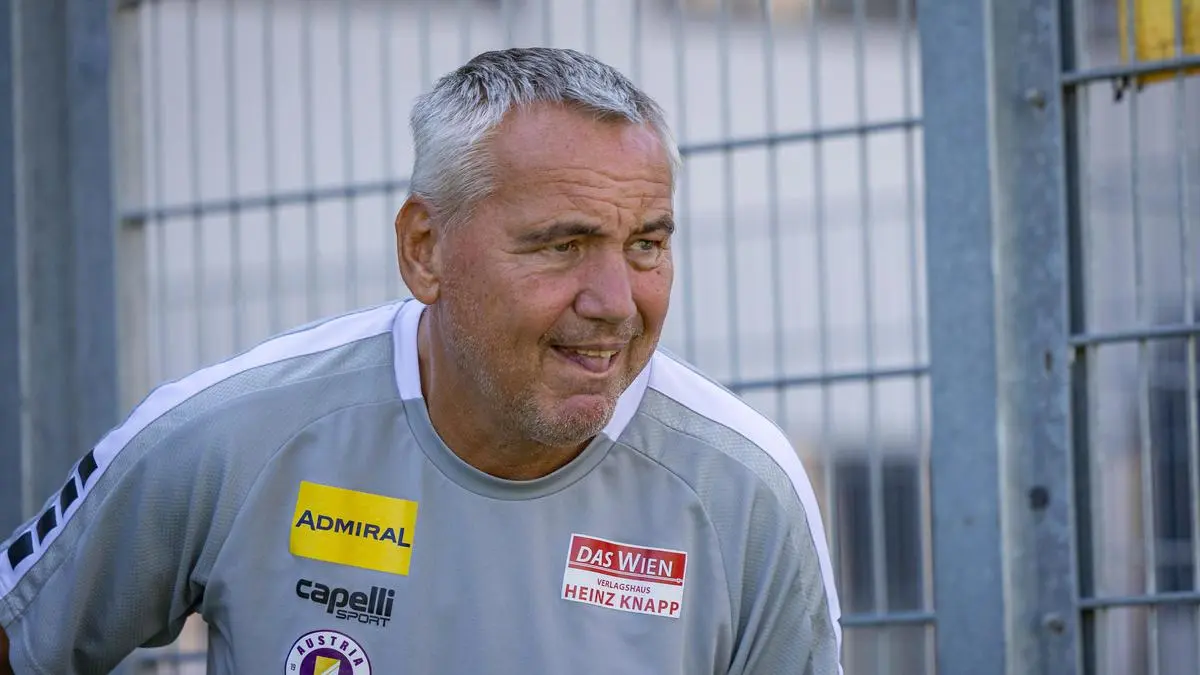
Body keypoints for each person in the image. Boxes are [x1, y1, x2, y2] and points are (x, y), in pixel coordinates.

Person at [0, 47, 841, 674]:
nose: (616, 302)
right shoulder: (229, 435)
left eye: (646, 244)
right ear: (424, 249)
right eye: (562, 245)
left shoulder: (743, 493)